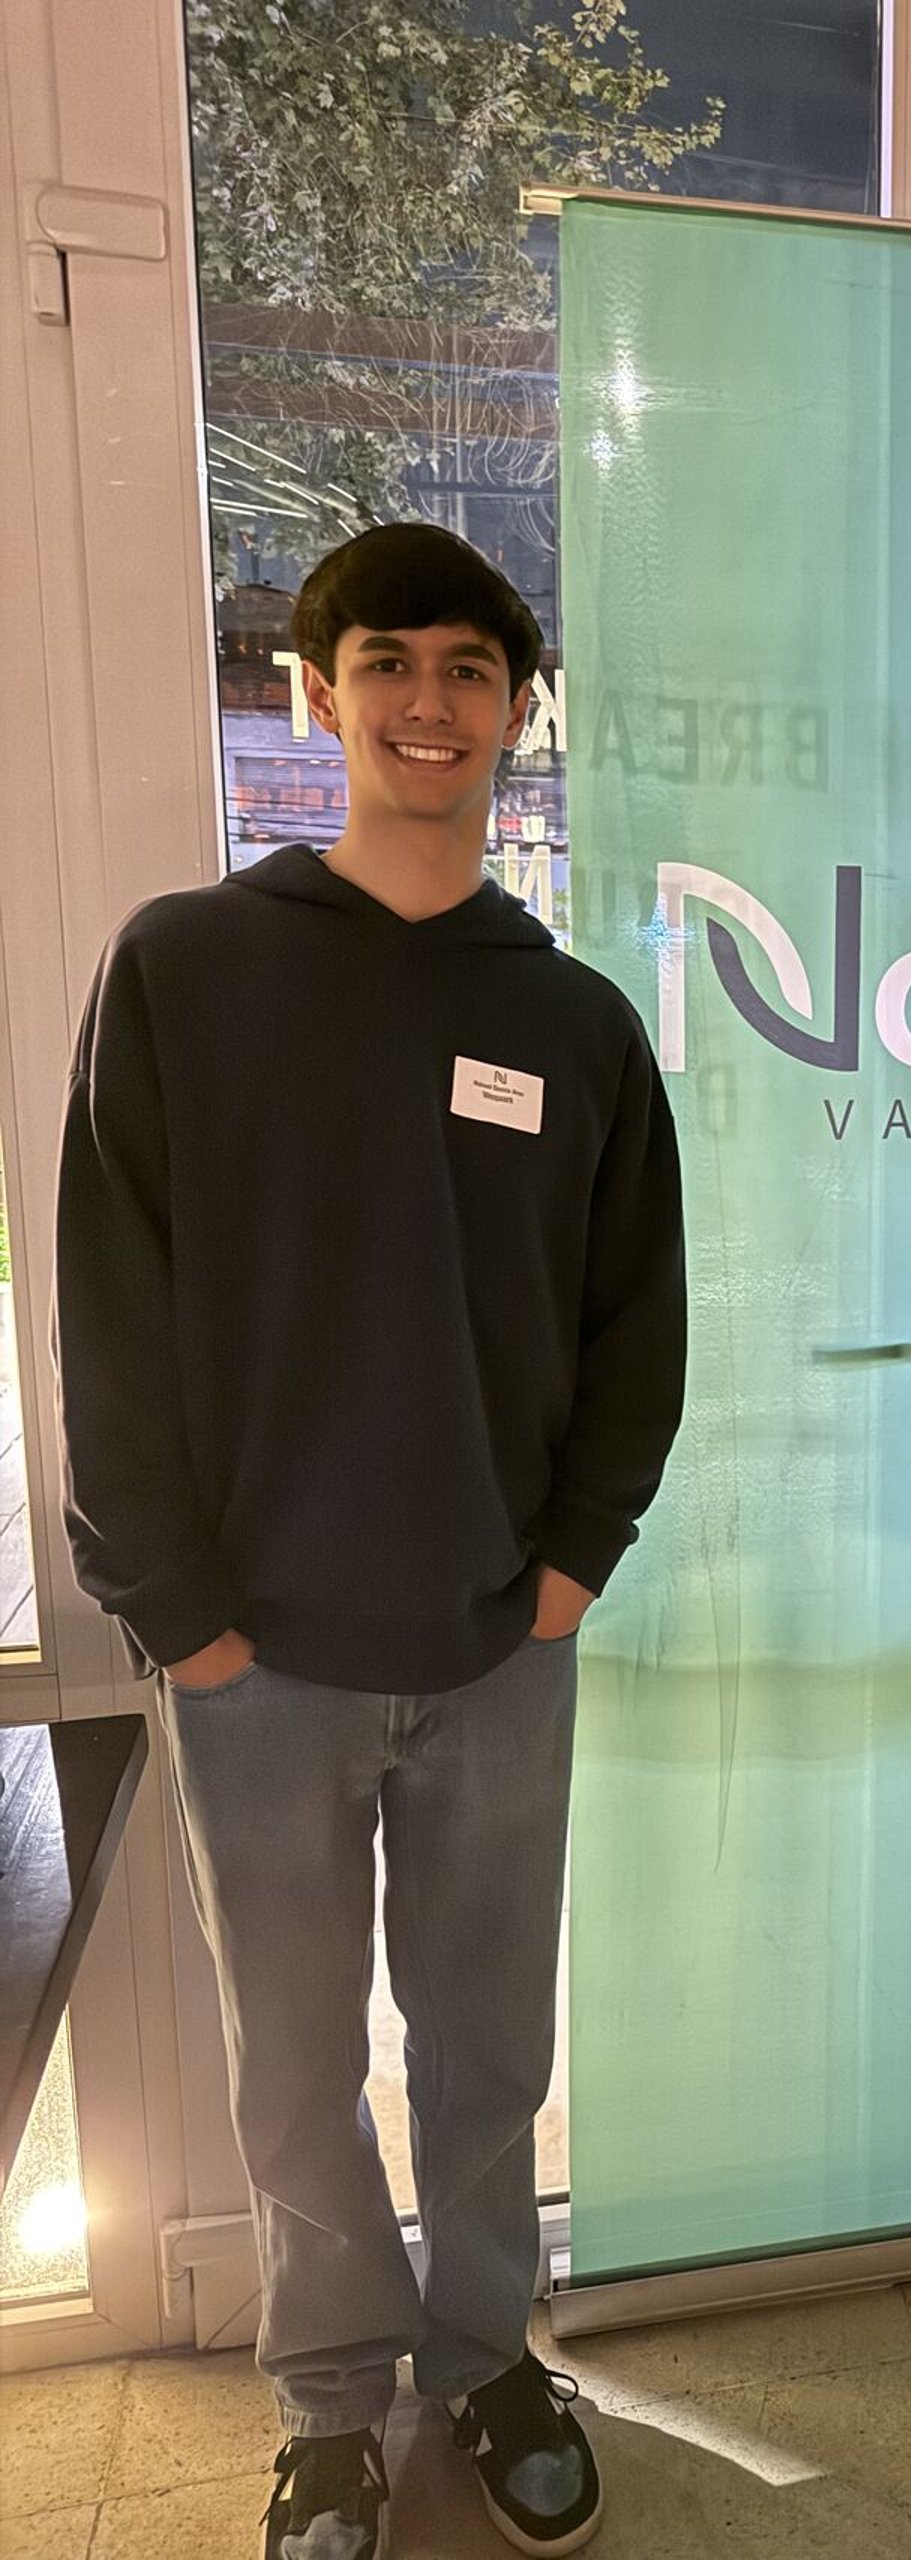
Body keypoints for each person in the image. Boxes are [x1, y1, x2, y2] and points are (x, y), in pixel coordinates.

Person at [55, 522, 686, 2558]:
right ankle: (331, 2400)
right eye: (387, 659)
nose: (432, 699)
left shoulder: (574, 1018)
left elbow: (637, 1319)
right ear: (311, 690)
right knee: (296, 2058)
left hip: (504, 1638)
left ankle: (490, 2356)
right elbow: (112, 1305)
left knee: (492, 2044)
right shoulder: (186, 968)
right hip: (260, 1659)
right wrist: (187, 1616)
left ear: (519, 712)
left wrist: (571, 1566)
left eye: (473, 669)